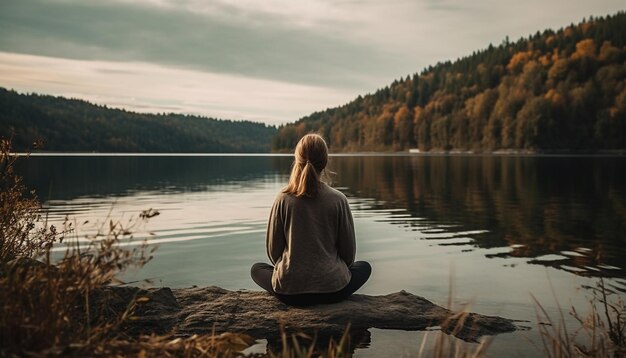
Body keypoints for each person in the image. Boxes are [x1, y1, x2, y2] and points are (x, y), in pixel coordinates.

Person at [250, 133, 371, 306]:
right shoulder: (338, 199)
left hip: (290, 293)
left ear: (297, 160)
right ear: (325, 162)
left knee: (257, 269)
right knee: (364, 267)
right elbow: (349, 256)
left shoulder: (283, 199)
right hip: (332, 291)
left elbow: (273, 253)